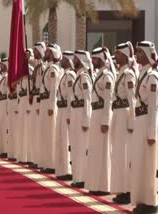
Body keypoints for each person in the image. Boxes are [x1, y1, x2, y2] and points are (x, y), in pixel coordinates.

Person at [131, 41, 158, 214]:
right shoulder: (142, 74)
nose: (137, 55)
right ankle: (142, 200)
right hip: (139, 120)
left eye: (140, 52)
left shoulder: (152, 77)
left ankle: (151, 202)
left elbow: (154, 106)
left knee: (149, 163)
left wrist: (152, 132)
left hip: (148, 122)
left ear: (148, 54)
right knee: (140, 162)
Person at [84, 47, 116, 196]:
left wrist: (105, 120)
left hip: (102, 115)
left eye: (95, 59)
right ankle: (95, 184)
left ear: (101, 59)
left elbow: (109, 100)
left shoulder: (107, 76)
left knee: (103, 152)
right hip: (95, 114)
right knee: (96, 151)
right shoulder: (99, 75)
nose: (93, 61)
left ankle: (104, 186)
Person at [110, 41, 137, 204]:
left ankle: (127, 190)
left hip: (125, 116)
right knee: (119, 154)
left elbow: (132, 99)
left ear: (125, 55)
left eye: (118, 53)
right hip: (118, 115)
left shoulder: (128, 74)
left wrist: (132, 122)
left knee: (125, 154)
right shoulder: (121, 72)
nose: (116, 56)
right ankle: (121, 189)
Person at [69, 50, 93, 188]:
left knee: (81, 147)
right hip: (75, 113)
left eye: (76, 58)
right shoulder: (79, 75)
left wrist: (86, 119)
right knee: (76, 147)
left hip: (81, 114)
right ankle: (77, 177)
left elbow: (87, 99)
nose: (73, 60)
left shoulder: (84, 77)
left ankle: (82, 178)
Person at [38, 43, 63, 173]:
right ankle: (45, 162)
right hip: (43, 102)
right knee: (44, 134)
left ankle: (51, 163)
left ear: (52, 54)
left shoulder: (53, 69)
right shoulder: (47, 68)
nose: (45, 53)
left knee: (50, 134)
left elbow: (53, 89)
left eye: (48, 51)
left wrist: (52, 106)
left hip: (49, 103)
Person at [55, 51, 76, 180]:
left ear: (68, 61)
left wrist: (69, 114)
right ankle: (62, 169)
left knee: (66, 141)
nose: (61, 60)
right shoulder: (65, 75)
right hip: (61, 110)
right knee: (61, 140)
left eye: (63, 58)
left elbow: (70, 96)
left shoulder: (70, 76)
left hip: (66, 111)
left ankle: (68, 170)